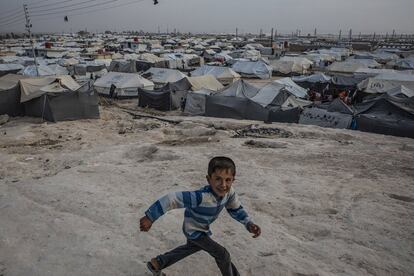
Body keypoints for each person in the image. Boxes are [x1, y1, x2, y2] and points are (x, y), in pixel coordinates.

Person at [140, 156, 261, 276]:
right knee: (222, 254)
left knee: (192, 247)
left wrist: (249, 223)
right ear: (209, 179)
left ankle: (158, 263)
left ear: (233, 180)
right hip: (194, 230)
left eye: (228, 180)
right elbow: (172, 199)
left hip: (201, 228)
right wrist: (150, 217)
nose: (223, 184)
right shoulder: (200, 197)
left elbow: (235, 209)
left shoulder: (229, 193)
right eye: (218, 179)